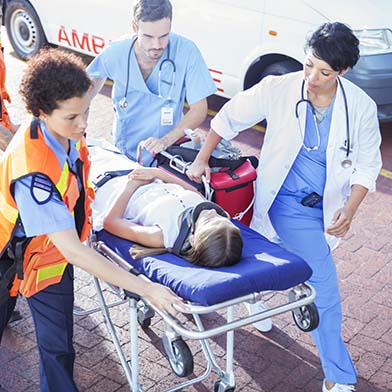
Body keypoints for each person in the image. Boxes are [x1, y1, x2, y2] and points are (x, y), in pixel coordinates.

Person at [186, 22, 382, 392]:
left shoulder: (360, 106)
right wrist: (202, 158)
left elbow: (369, 165)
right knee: (323, 284)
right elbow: (230, 117)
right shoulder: (281, 87)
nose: (311, 76)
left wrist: (351, 209)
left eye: (324, 72)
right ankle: (339, 378)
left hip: (324, 208)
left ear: (342, 72)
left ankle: (258, 298)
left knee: (287, 265)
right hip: (284, 201)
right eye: (308, 65)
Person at [0, 48, 187, 392]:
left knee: (58, 350)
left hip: (46, 261)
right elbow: (74, 251)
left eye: (86, 111)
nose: (83, 124)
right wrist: (146, 289)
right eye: (72, 117)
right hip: (13, 256)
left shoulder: (63, 134)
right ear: (41, 112)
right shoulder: (34, 175)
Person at [87, 0, 216, 161]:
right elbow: (85, 93)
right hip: (124, 149)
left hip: (167, 150)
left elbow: (199, 109)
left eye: (163, 36)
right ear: (135, 28)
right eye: (148, 37)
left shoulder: (187, 51)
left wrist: (165, 141)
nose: (157, 45)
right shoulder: (115, 52)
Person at [96, 166, 243, 268]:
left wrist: (131, 185)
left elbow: (110, 222)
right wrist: (157, 173)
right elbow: (193, 191)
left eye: (208, 219)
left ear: (193, 239)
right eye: (220, 216)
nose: (212, 211)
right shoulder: (207, 216)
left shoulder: (161, 235)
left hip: (110, 185)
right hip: (139, 173)